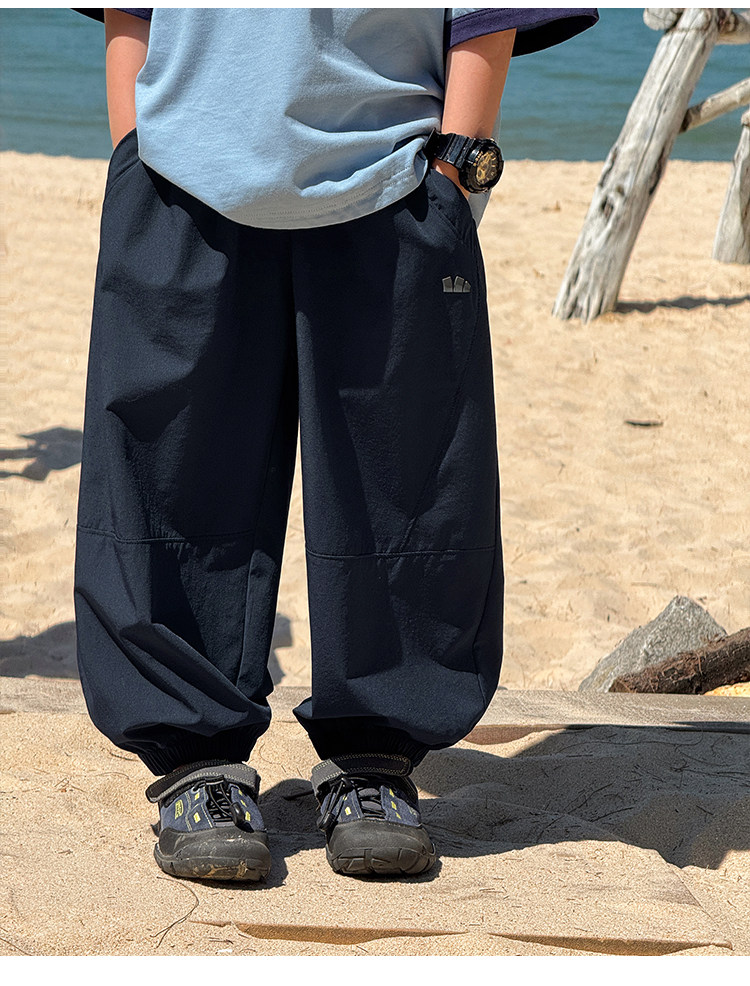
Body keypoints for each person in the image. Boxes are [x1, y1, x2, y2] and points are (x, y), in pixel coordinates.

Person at [72, 7, 598, 882]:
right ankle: (195, 761)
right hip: (176, 172)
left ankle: (376, 757)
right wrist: (133, 149)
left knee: (406, 478)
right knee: (171, 470)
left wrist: (454, 172)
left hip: (392, 174)